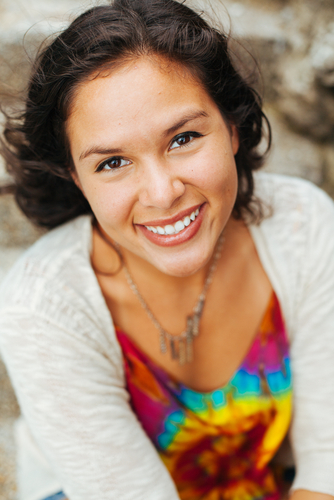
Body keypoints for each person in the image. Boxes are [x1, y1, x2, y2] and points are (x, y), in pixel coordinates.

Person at [0, 0, 334, 499]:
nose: (162, 193)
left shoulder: (303, 225)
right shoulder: (43, 307)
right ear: (76, 177)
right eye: (112, 163)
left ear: (233, 128)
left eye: (183, 138)